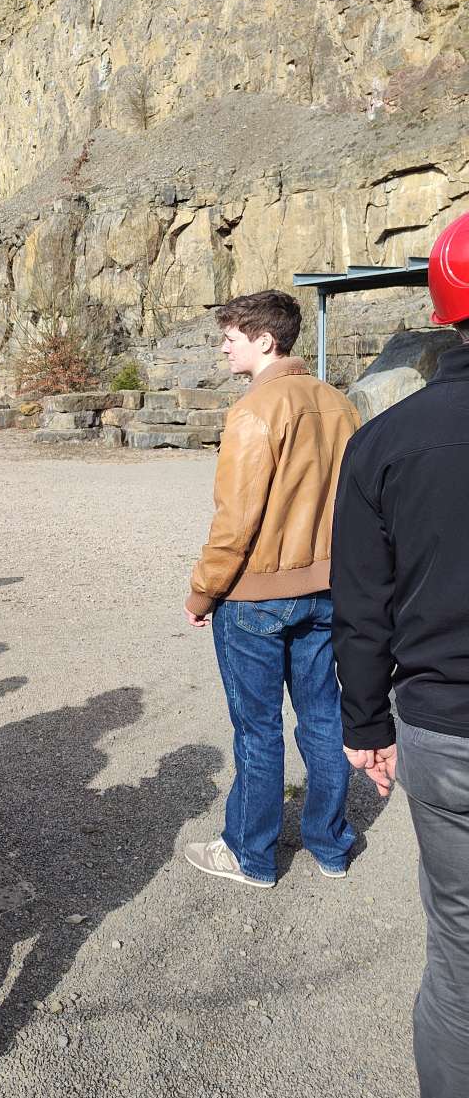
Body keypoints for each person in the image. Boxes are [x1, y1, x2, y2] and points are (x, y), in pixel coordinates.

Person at [332, 211, 469, 1098]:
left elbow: (363, 605)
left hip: (446, 729)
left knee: (461, 947)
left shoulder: (386, 441)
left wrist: (366, 725)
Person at [182, 290, 361, 887]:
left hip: (256, 596)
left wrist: (202, 591)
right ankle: (331, 845)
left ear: (267, 341)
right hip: (329, 590)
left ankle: (251, 854)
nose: (223, 343)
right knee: (322, 718)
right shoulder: (342, 405)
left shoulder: (254, 411)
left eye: (232, 334)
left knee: (257, 728)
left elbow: (236, 522)